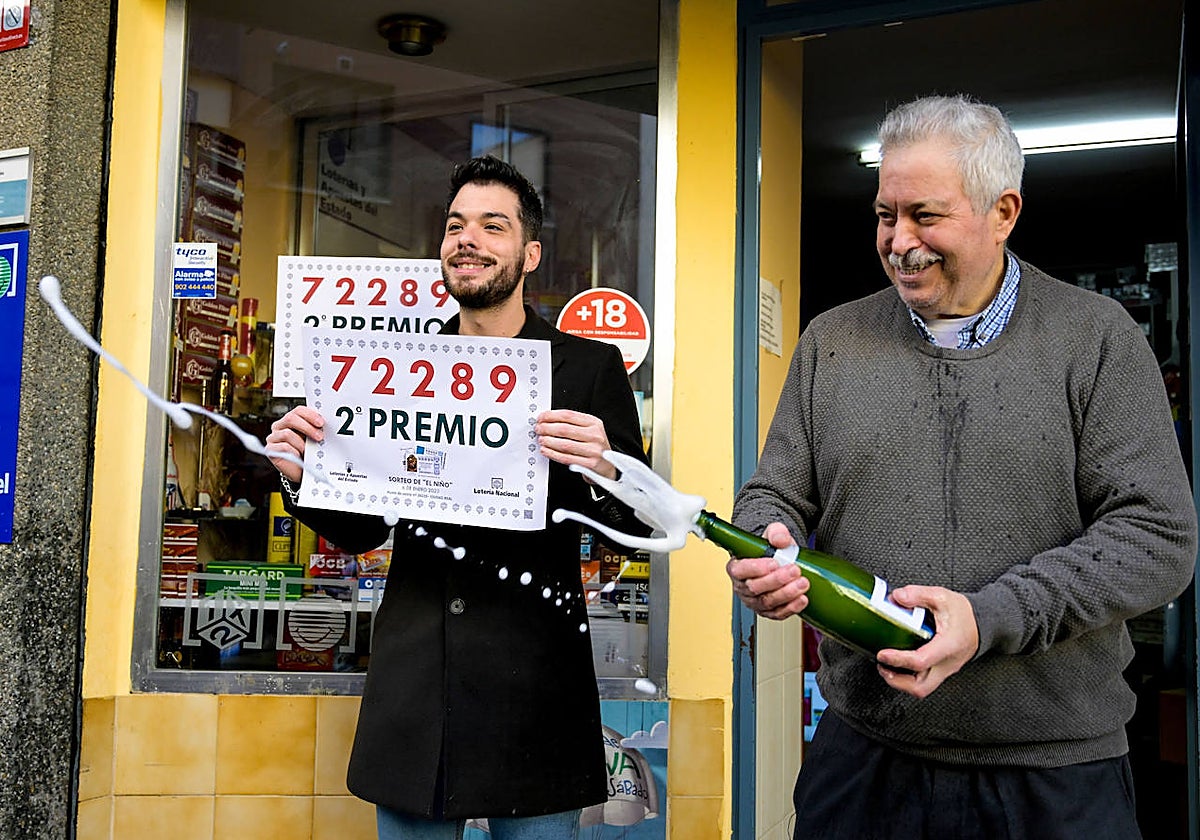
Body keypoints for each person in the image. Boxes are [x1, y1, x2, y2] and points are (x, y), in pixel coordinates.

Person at [727, 94, 1197, 839]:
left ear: (1003, 210)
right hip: (863, 763)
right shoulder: (831, 341)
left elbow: (1158, 537)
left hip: (1053, 777)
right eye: (886, 215)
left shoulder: (1096, 339)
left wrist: (989, 619)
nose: (899, 241)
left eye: (926, 215)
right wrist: (768, 543)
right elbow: (774, 492)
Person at [265, 156, 648, 840]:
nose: (467, 239)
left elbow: (629, 532)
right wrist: (302, 476)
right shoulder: (394, 369)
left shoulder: (587, 370)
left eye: (491, 226)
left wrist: (610, 470)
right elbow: (357, 532)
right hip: (419, 683)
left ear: (529, 253)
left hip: (536, 683)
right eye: (454, 225)